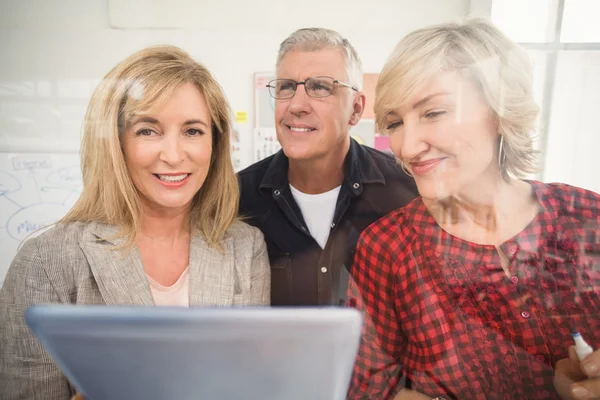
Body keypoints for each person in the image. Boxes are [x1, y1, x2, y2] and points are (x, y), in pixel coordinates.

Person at [346, 18, 600, 400]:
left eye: (433, 112)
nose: (407, 146)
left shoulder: (588, 217)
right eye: (395, 123)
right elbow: (370, 387)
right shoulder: (388, 247)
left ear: (499, 111)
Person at [0, 45, 270, 399]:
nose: (173, 155)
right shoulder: (45, 260)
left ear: (215, 144)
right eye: (148, 131)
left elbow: (251, 387)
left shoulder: (244, 246)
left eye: (192, 131)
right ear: (116, 143)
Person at [237, 28, 418, 306]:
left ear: (356, 110)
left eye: (320, 87)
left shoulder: (407, 191)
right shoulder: (239, 200)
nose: (296, 105)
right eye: (286, 86)